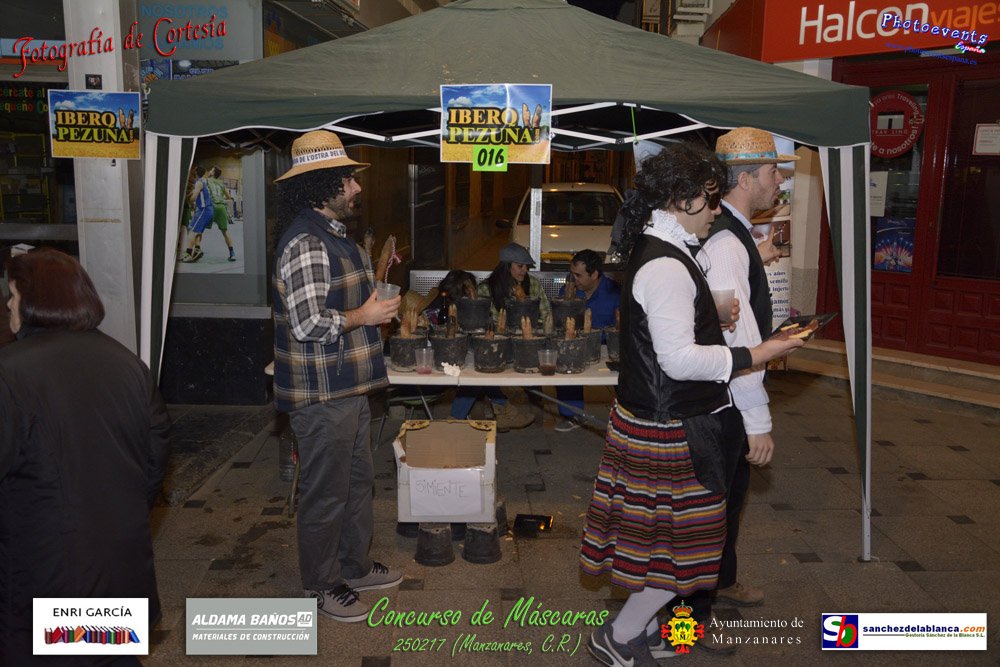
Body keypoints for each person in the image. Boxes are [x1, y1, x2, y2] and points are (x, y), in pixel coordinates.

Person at [578, 143, 802, 666]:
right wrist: (760, 352)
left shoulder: (666, 247)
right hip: (669, 424)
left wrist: (710, 315)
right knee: (690, 550)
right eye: (710, 198)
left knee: (662, 548)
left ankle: (644, 630)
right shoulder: (665, 263)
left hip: (661, 418)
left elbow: (669, 331)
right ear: (683, 199)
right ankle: (620, 635)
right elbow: (678, 360)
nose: (716, 209)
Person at [0, 249, 171, 666]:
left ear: (36, 301)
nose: (8, 305)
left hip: (42, 579)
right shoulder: (128, 365)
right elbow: (153, 465)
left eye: (14, 295)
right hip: (119, 572)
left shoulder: (10, 373)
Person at [272, 130, 403, 623]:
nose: (356, 187)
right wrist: (363, 316)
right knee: (326, 494)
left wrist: (370, 311)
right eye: (347, 179)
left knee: (356, 484)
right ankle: (321, 585)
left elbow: (339, 304)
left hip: (348, 388)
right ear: (321, 184)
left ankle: (355, 566)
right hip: (322, 394)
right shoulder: (306, 242)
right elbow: (308, 324)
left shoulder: (332, 234)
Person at [691, 127, 799, 650]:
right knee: (709, 517)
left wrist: (762, 254)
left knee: (727, 506)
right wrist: (758, 420)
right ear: (746, 179)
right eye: (774, 172)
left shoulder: (732, 236)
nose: (779, 181)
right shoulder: (727, 243)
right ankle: (688, 627)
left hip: (720, 395)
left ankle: (722, 581)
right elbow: (738, 340)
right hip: (724, 402)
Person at [449, 242, 545, 430]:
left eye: (526, 266)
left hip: (524, 344)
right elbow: (482, 322)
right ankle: (500, 411)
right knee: (478, 373)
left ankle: (462, 417)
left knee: (478, 375)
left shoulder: (533, 285)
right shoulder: (487, 288)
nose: (525, 270)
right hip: (495, 344)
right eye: (520, 266)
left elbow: (545, 313)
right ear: (507, 266)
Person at [553, 249, 621, 432]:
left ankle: (627, 414)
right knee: (565, 358)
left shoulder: (615, 293)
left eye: (578, 275)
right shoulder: (567, 291)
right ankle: (572, 414)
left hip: (607, 347)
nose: (573, 279)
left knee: (625, 369)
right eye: (572, 274)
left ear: (595, 274)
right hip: (577, 345)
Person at [180, 166, 213, 262]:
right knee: (197, 231)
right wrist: (188, 195)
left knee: (192, 231)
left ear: (196, 173)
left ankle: (188, 254)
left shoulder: (199, 183)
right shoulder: (203, 181)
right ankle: (197, 250)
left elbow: (194, 197)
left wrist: (188, 201)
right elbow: (194, 192)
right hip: (206, 210)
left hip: (204, 210)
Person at [206, 166, 237, 262]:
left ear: (213, 173)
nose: (209, 171)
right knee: (225, 232)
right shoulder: (222, 184)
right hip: (221, 207)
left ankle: (194, 251)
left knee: (198, 230)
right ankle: (232, 253)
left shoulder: (207, 181)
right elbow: (229, 197)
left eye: (211, 170)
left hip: (211, 207)